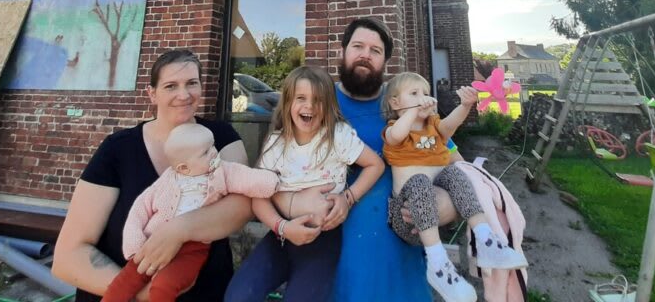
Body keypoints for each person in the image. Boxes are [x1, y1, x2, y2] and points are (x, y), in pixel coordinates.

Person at [273, 17, 462, 301]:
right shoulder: (312, 102)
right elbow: (272, 175)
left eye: (375, 51)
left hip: (401, 270)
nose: (365, 54)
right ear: (342, 51)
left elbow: (459, 167)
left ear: (386, 61)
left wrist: (447, 207)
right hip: (326, 269)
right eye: (358, 46)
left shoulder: (406, 104)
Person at [53, 49, 253, 302]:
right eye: (171, 86)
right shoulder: (117, 149)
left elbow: (242, 207)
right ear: (152, 93)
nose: (184, 95)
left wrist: (178, 230)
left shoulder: (221, 137)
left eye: (192, 83)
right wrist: (142, 293)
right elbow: (68, 256)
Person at [225, 66, 384, 302]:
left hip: (322, 242)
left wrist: (348, 197)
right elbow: (258, 195)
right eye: (301, 98)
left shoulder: (337, 135)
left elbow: (375, 165)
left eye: (317, 100)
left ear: (328, 105)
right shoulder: (276, 143)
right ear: (288, 102)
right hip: (280, 237)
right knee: (238, 296)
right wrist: (282, 227)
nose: (309, 106)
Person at [382, 72, 527, 302]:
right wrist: (411, 112)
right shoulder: (394, 130)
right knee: (419, 182)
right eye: (414, 93)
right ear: (395, 102)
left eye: (426, 94)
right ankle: (437, 264)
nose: (423, 98)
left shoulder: (434, 126)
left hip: (432, 214)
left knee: (456, 173)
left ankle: (485, 240)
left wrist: (465, 105)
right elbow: (395, 135)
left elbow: (450, 125)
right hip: (406, 217)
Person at [102, 123, 280, 302]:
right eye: (205, 152)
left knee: (164, 285)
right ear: (183, 168)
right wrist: (134, 242)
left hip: (192, 248)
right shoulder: (168, 180)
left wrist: (274, 182)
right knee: (124, 282)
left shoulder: (221, 172)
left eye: (212, 146)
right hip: (152, 243)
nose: (213, 153)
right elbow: (140, 207)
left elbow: (246, 178)